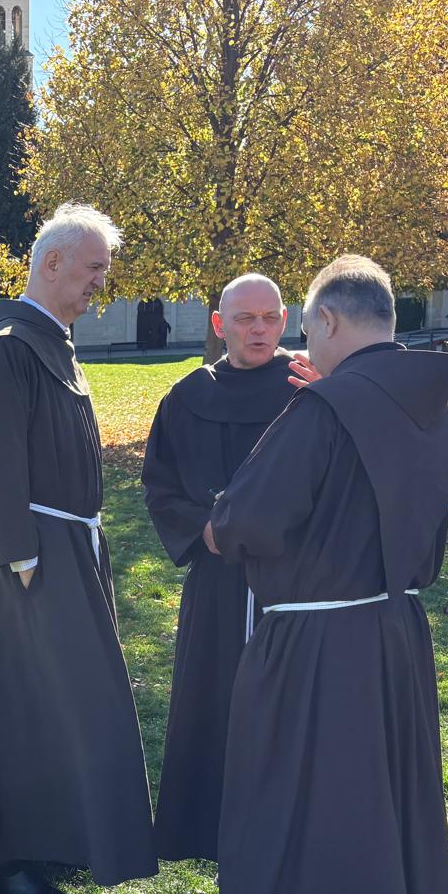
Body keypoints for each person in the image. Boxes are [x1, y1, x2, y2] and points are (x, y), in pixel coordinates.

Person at [148, 254, 448, 894]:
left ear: (326, 320)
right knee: (373, 806)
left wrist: (219, 526)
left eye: (299, 324)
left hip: (315, 642)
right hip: (395, 635)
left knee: (275, 802)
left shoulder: (323, 411)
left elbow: (247, 520)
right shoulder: (437, 412)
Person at [0, 203, 157, 894]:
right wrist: (22, 559)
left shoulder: (51, 342)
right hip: (34, 559)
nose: (100, 284)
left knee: (68, 701)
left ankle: (62, 835)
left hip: (69, 548)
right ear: (52, 263)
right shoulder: (11, 347)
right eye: (94, 269)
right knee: (28, 701)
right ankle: (9, 854)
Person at [141, 274, 294, 861]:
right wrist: (200, 528)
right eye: (245, 319)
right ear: (218, 324)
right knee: (214, 699)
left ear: (285, 321)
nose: (259, 329)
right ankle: (207, 831)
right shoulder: (187, 398)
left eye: (270, 317)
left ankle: (285, 833)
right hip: (217, 575)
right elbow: (160, 485)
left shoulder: (308, 388)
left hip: (292, 580)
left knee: (288, 703)